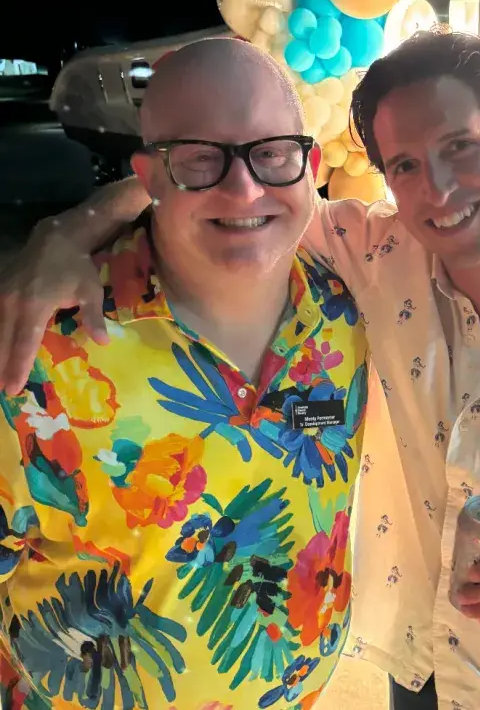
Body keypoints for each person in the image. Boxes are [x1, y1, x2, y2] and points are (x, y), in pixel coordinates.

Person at [0, 29, 480, 710]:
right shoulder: (374, 258)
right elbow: (230, 187)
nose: (438, 188)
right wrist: (69, 228)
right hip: (421, 673)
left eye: (461, 146)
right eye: (405, 164)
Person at [0, 38, 372, 710]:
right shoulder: (39, 353)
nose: (245, 188)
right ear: (150, 177)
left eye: (272, 153)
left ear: (310, 165)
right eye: (201, 158)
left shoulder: (351, 310)